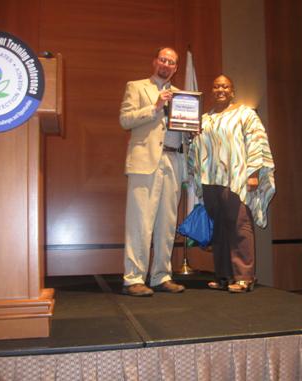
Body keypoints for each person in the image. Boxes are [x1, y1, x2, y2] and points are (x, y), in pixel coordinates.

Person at [188, 75, 276, 293]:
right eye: (216, 85)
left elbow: (257, 141)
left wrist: (253, 173)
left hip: (235, 178)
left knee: (239, 226)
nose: (220, 89)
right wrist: (194, 137)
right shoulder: (205, 119)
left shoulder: (245, 114)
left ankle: (245, 276)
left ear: (232, 91)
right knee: (219, 228)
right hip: (210, 180)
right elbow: (197, 148)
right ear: (211, 90)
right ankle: (224, 276)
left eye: (225, 86)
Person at [119, 47, 187, 296]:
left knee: (167, 224)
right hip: (144, 161)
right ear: (155, 61)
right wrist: (156, 106)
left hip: (173, 160)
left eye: (172, 62)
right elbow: (125, 120)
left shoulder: (183, 96)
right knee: (140, 222)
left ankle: (161, 275)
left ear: (176, 68)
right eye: (163, 59)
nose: (166, 64)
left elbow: (186, 128)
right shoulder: (136, 87)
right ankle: (133, 278)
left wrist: (192, 129)